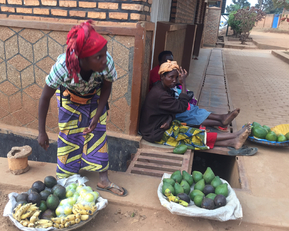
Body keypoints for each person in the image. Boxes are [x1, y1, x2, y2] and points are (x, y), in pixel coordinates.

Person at [38, 20, 127, 197]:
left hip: (95, 97)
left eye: (105, 53)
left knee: (98, 134)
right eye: (98, 57)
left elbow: (107, 86)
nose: (104, 59)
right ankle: (68, 181)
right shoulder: (63, 67)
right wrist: (41, 132)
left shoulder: (107, 62)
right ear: (84, 58)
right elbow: (45, 96)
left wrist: (98, 113)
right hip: (69, 99)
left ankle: (104, 180)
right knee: (69, 137)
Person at [139, 60, 251, 151]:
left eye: (176, 77)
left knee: (189, 131)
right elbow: (181, 107)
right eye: (171, 77)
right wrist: (183, 84)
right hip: (154, 132)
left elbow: (172, 110)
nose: (174, 81)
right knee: (192, 135)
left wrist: (168, 119)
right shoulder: (160, 94)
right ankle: (234, 136)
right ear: (162, 77)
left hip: (161, 125)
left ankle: (232, 141)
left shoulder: (164, 88)